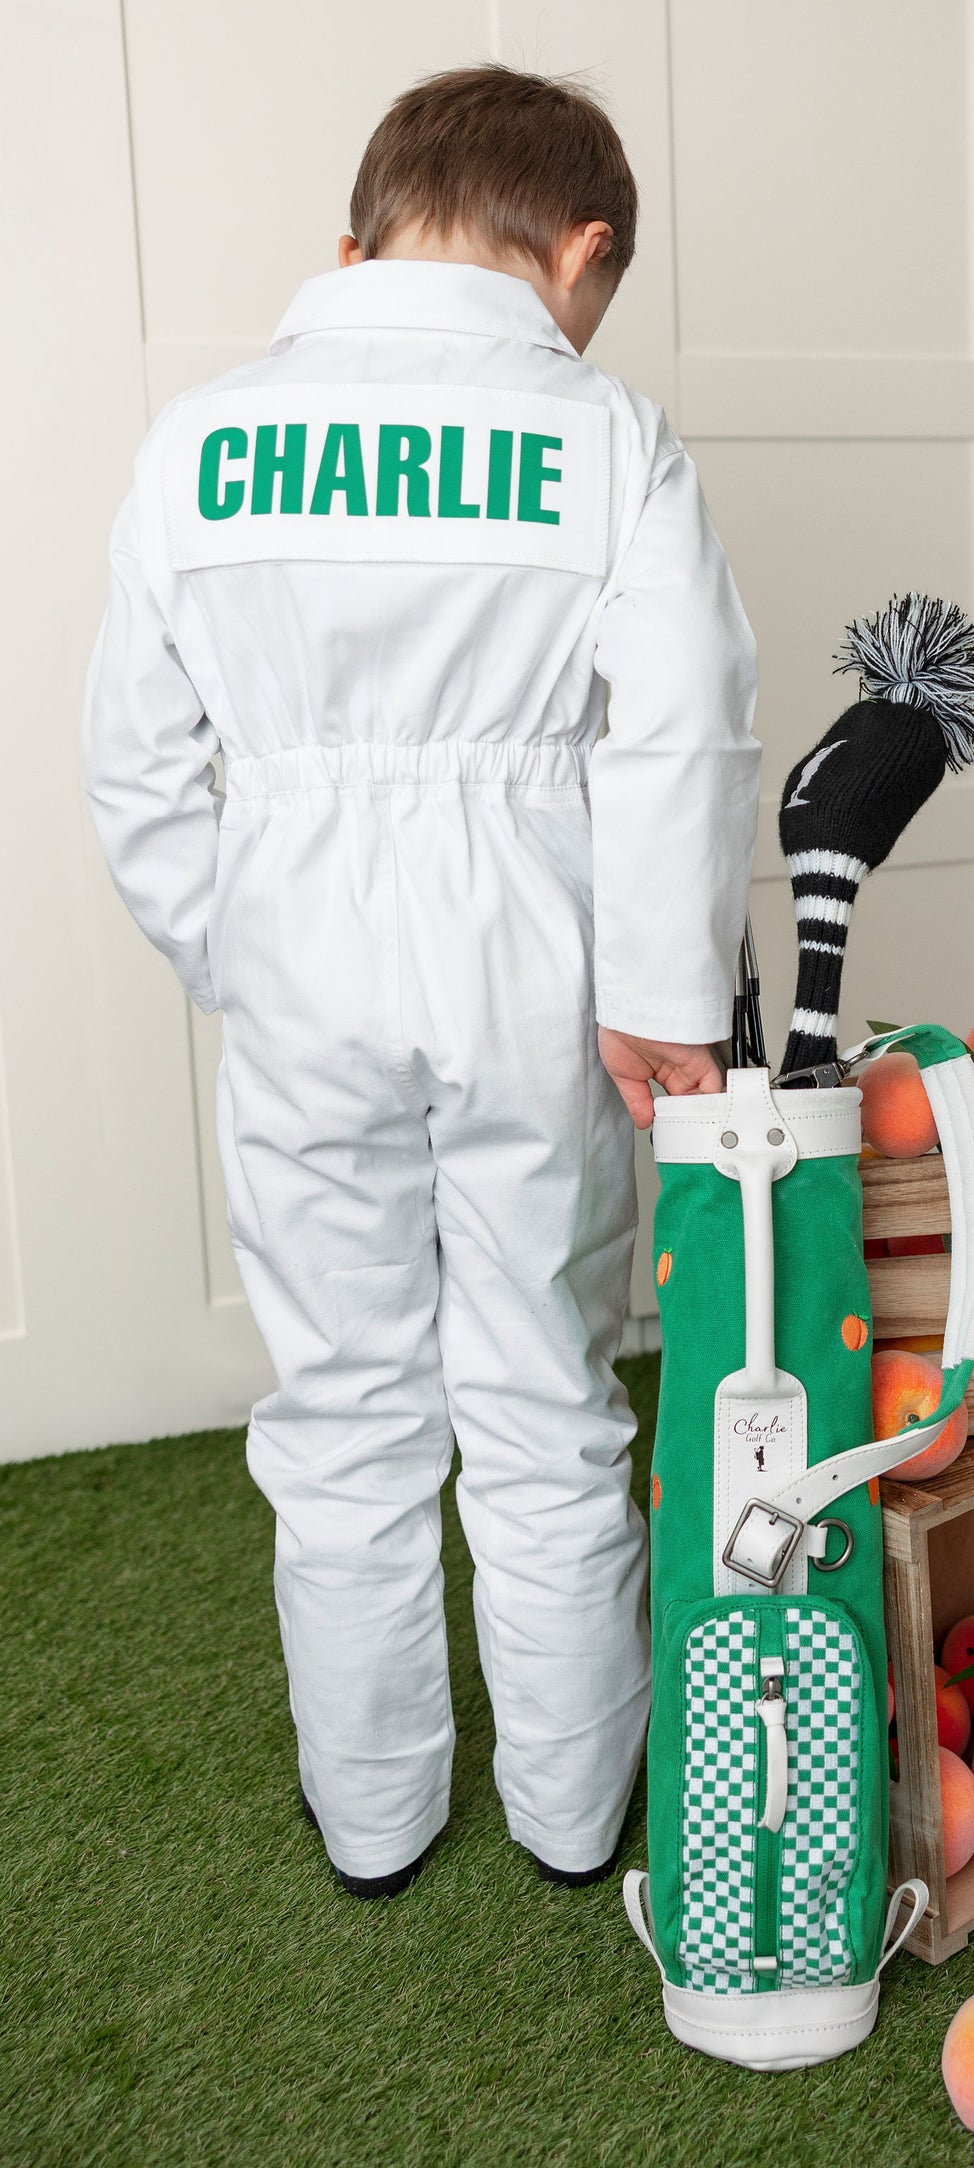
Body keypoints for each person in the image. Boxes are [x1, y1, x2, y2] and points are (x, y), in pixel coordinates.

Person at [84, 65, 759, 1898]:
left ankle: (373, 1813)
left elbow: (138, 769)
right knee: (546, 1383)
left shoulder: (203, 441)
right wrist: (662, 1002)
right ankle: (567, 1811)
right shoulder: (607, 439)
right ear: (582, 250)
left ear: (356, 241)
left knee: (344, 1401)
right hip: (541, 950)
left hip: (297, 946)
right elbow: (682, 734)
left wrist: (244, 952)